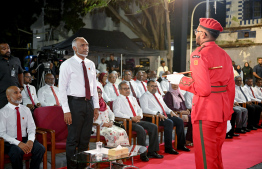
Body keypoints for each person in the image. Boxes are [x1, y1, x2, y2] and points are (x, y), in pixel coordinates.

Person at [166, 18, 235, 169]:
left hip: (206, 112)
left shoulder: (198, 54)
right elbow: (231, 87)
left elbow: (204, 90)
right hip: (221, 112)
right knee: (216, 156)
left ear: (203, 34)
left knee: (205, 159)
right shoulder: (224, 54)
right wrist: (228, 112)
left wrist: (180, 79)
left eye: (196, 31)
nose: (195, 34)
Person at [59, 37, 99, 169]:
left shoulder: (91, 64)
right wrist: (66, 110)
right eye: (82, 45)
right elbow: (62, 89)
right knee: (73, 139)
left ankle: (82, 167)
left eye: (87, 45)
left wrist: (96, 106)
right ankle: (71, 167)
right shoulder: (67, 64)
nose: (86, 48)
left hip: (89, 104)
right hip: (74, 104)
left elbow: (94, 87)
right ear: (74, 48)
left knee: (85, 139)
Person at [113, 81, 163, 162]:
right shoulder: (118, 100)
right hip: (126, 122)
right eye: (125, 89)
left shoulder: (132, 98)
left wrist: (140, 116)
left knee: (153, 127)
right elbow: (116, 113)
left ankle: (152, 151)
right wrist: (131, 118)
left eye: (128, 88)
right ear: (120, 90)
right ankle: (143, 154)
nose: (127, 90)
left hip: (136, 120)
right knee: (140, 129)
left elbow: (139, 109)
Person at [0, 86, 45, 169]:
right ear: (8, 97)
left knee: (40, 148)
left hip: (25, 138)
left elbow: (31, 127)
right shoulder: (3, 112)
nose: (20, 95)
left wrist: (30, 141)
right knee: (16, 152)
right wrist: (18, 143)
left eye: (20, 92)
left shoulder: (26, 109)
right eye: (15, 93)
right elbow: (2, 133)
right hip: (10, 142)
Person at [140, 80, 190, 154]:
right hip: (153, 117)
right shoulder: (144, 96)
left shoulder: (158, 95)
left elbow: (164, 106)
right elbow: (145, 109)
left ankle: (181, 145)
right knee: (169, 122)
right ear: (147, 87)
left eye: (156, 86)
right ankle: (168, 148)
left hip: (163, 115)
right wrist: (157, 113)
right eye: (152, 86)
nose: (154, 88)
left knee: (179, 120)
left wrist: (170, 112)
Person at [0, 43, 24, 109]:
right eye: (4, 49)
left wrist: (21, 85)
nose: (7, 50)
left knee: (18, 110)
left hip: (15, 91)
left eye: (8, 48)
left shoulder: (16, 60)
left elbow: (20, 72)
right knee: (3, 113)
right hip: (2, 93)